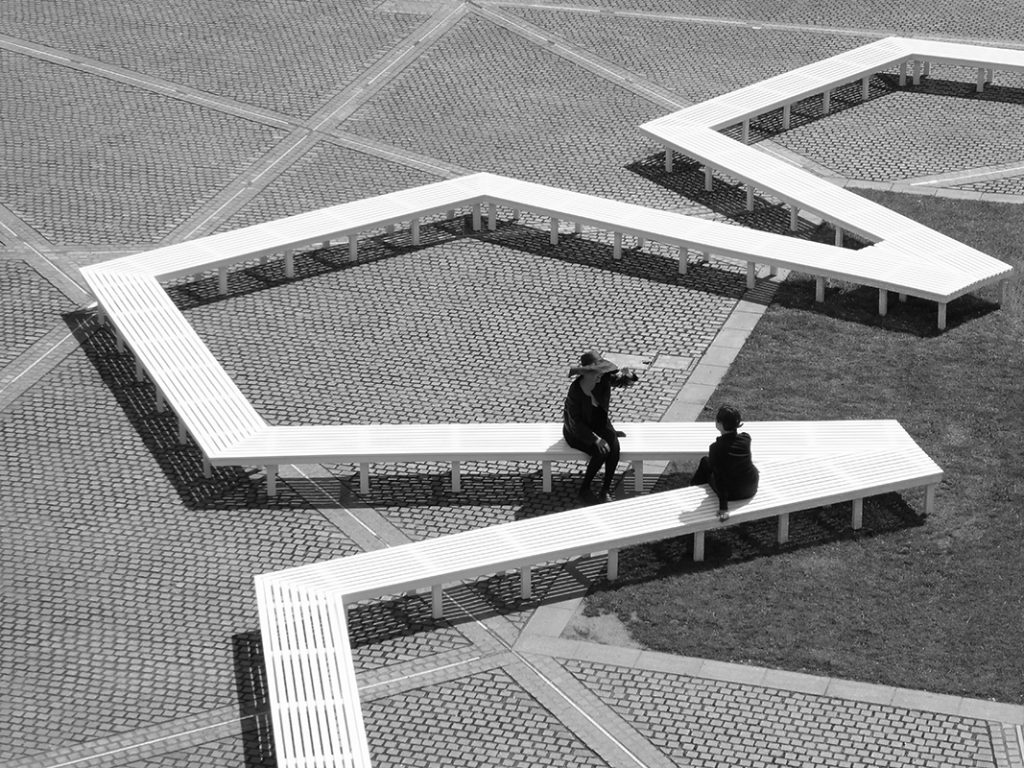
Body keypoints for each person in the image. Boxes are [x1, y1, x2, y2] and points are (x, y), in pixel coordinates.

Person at [562, 350, 639, 503]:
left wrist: (629, 376)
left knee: (614, 448)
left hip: (599, 423)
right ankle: (585, 489)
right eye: (596, 373)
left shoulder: (603, 379)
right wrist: (595, 439)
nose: (600, 376)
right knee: (601, 452)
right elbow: (575, 422)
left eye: (600, 373)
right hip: (577, 432)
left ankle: (605, 490)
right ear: (585, 374)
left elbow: (621, 381)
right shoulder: (575, 391)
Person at [689, 405, 759, 520]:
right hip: (751, 487)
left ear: (719, 424)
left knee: (705, 463)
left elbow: (720, 479)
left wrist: (724, 508)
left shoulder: (716, 448)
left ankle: (691, 490)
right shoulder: (746, 438)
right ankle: (693, 486)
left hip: (733, 494)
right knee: (708, 462)